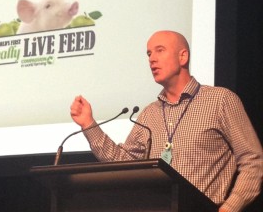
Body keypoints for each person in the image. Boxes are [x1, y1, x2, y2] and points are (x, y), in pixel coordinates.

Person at [70, 30, 263, 212]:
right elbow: (124, 164)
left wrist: (230, 208)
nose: (152, 59)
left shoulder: (220, 100)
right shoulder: (149, 114)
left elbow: (253, 161)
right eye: (148, 54)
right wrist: (88, 124)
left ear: (183, 57)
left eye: (160, 50)